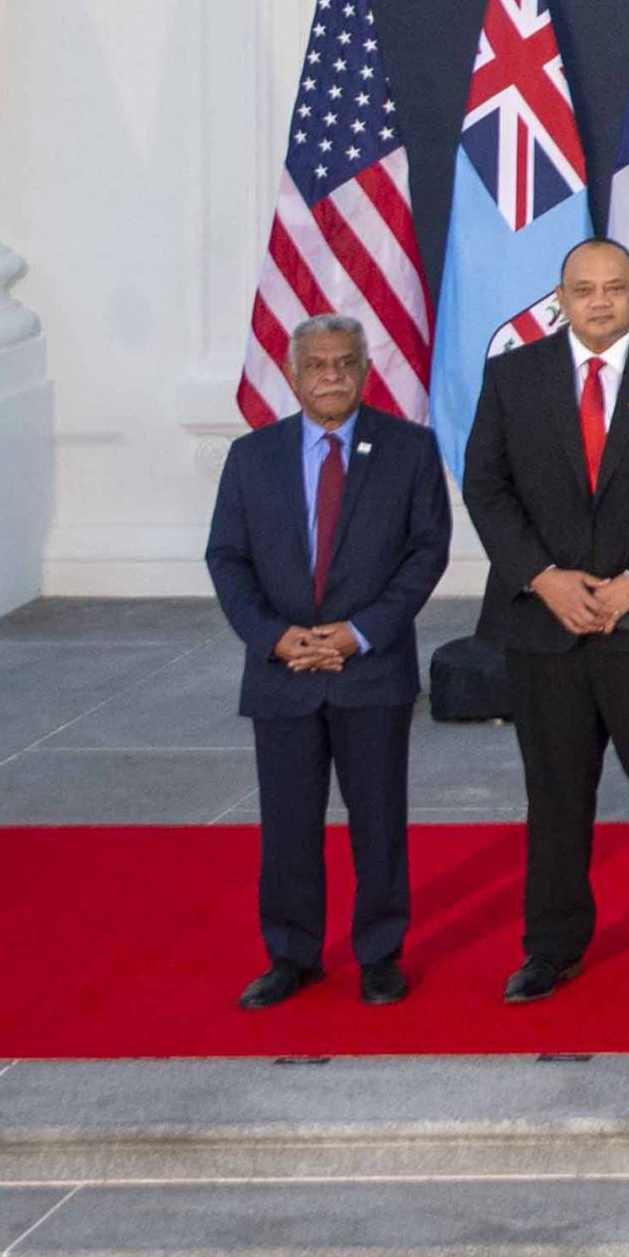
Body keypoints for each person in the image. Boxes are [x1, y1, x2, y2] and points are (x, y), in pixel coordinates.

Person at [460, 235, 629, 1002]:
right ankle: (551, 948)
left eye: (615, 286)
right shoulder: (512, 377)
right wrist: (545, 579)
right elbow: (486, 486)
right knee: (554, 796)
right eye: (584, 289)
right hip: (545, 626)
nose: (600, 301)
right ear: (563, 297)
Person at [202, 315, 450, 1008]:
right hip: (282, 672)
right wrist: (275, 638)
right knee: (287, 825)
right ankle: (291, 955)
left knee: (378, 820)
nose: (332, 374)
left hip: (370, 671)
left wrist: (361, 633)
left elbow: (426, 552)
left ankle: (379, 954)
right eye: (317, 364)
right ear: (292, 374)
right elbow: (226, 558)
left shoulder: (409, 450)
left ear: (367, 371)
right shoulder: (252, 458)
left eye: (345, 362)